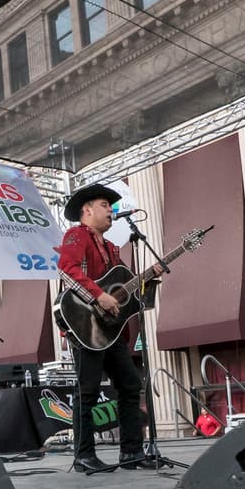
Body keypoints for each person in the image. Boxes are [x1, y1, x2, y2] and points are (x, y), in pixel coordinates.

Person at [56, 184, 159, 474]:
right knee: (86, 391)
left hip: (110, 330)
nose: (111, 211)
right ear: (86, 210)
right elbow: (67, 269)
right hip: (84, 323)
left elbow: (122, 291)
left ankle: (131, 451)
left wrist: (148, 280)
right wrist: (98, 295)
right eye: (105, 205)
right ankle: (84, 456)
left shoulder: (112, 248)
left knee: (130, 384)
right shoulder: (77, 235)